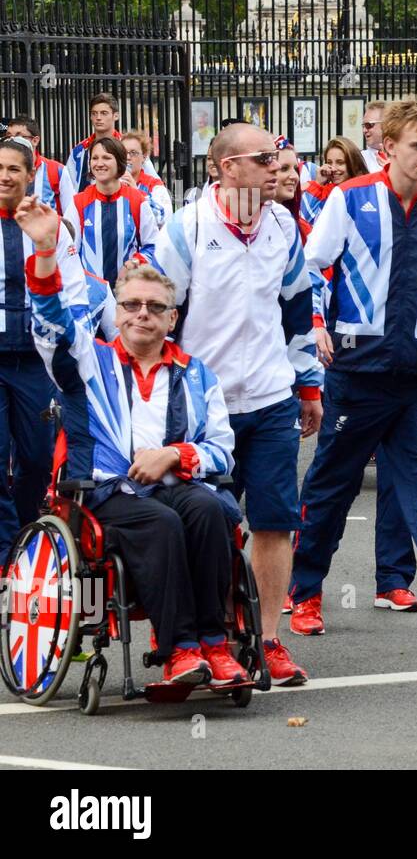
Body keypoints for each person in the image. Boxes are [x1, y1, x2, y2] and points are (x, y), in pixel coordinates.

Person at [292, 99, 417, 646]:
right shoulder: (351, 198)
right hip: (358, 369)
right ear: (389, 148)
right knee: (332, 484)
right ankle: (304, 589)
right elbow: (314, 266)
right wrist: (317, 323)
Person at [23, 221, 245, 687]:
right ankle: (179, 650)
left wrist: (174, 455)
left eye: (155, 307)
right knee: (161, 523)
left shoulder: (198, 374)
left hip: (179, 485)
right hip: (107, 494)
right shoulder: (88, 363)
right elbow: (50, 325)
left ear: (172, 319)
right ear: (117, 313)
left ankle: (215, 644)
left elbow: (222, 451)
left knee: (209, 511)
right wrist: (45, 251)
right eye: (130, 305)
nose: (142, 314)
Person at [147, 122, 321, 685]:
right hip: (204, 407)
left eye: (279, 157)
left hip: (270, 399)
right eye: (264, 158)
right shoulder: (187, 227)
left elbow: (297, 309)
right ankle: (205, 632)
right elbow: (158, 315)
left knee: (274, 523)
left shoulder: (284, 225)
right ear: (227, 168)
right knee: (208, 522)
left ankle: (267, 639)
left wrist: (307, 385)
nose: (278, 167)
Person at [0, 138, 90, 548]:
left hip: (38, 363)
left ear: (30, 174)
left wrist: (74, 346)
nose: (5, 176)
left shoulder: (48, 224)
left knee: (37, 460)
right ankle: (5, 551)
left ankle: (25, 535)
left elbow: (74, 291)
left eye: (13, 169)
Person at [71, 137, 161, 291]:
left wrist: (133, 263)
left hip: (129, 292)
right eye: (95, 158)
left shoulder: (136, 200)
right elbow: (69, 251)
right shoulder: (78, 202)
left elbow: (154, 246)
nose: (99, 163)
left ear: (120, 162)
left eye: (106, 158)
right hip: (91, 296)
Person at [5, 116, 75, 217]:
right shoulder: (2, 170)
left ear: (35, 140)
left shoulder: (57, 170)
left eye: (19, 137)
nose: (12, 141)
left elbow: (71, 214)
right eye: (9, 137)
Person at [120, 129, 174, 214]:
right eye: (123, 152)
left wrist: (136, 193)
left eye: (133, 153)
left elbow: (163, 215)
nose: (127, 157)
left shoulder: (154, 185)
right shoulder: (111, 182)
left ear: (144, 157)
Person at [359, 101, 389, 173]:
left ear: (385, 124)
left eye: (368, 125)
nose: (364, 130)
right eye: (363, 126)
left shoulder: (403, 155)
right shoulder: (359, 159)